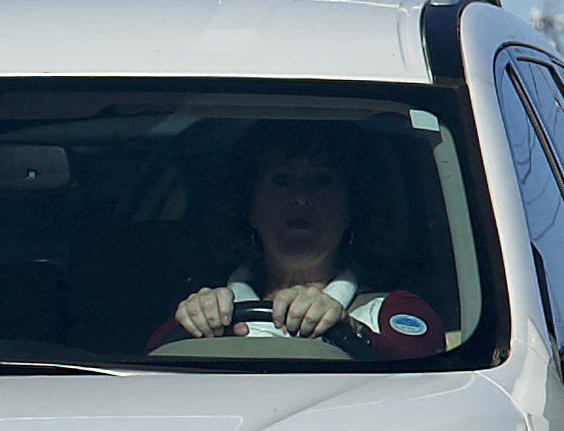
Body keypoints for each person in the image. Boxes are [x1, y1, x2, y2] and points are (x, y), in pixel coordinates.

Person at [160, 125, 446, 360]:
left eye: (321, 181)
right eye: (282, 180)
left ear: (350, 210)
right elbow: (152, 362)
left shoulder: (387, 309)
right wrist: (191, 320)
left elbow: (426, 366)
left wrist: (348, 329)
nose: (301, 197)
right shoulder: (213, 310)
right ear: (250, 209)